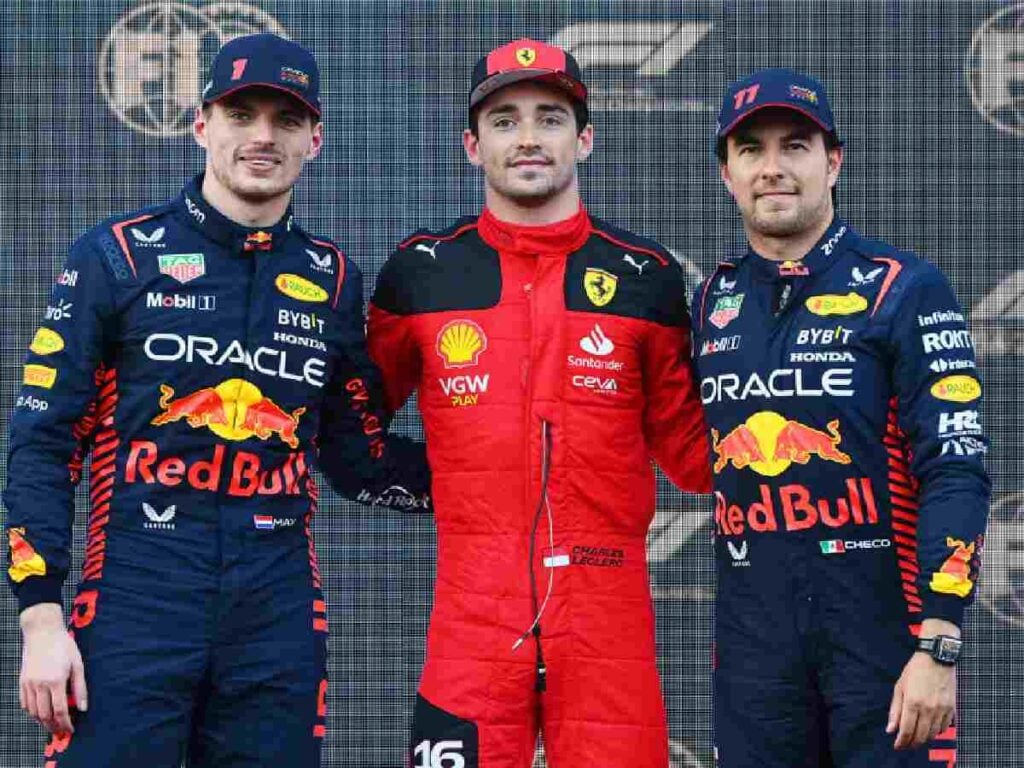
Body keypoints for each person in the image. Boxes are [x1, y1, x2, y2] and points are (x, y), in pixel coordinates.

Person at [5, 33, 430, 767]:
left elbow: (356, 457)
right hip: (137, 599)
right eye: (241, 113)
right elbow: (42, 441)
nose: (262, 136)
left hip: (276, 614)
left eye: (286, 119)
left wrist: (497, 473)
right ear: (202, 125)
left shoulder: (333, 280)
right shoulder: (117, 256)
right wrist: (41, 618)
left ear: (315, 139)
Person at [367, 38, 711, 768]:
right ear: (471, 144)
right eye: (504, 120)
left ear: (584, 138)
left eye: (550, 118)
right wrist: (438, 486)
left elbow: (693, 456)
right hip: (471, 615)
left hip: (606, 615)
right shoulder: (422, 272)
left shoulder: (644, 276)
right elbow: (346, 426)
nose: (528, 138)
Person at [692, 67, 991, 767]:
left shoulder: (904, 286)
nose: (773, 168)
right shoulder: (710, 302)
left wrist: (938, 640)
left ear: (833, 162)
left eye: (795, 146)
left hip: (883, 643)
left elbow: (956, 470)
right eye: (751, 150)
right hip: (752, 650)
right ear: (726, 174)